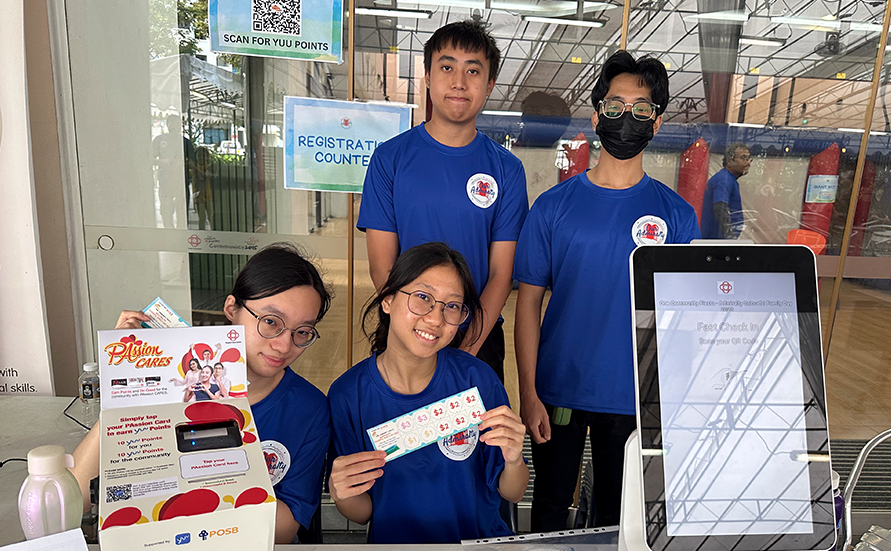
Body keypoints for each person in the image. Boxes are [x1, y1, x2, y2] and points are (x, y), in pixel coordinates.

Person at [513, 50, 701, 532]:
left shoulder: (677, 215)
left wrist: (670, 404)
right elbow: (528, 303)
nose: (627, 118)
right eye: (616, 106)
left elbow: (683, 319)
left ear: (655, 124)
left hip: (633, 396)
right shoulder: (553, 207)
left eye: (642, 109)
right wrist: (530, 392)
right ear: (597, 115)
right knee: (551, 508)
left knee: (621, 519)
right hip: (559, 391)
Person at [69, 242, 333, 544]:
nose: (284, 345)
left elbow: (285, 530)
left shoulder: (308, 408)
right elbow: (77, 494)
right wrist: (129, 384)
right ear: (232, 308)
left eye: (302, 332)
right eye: (271, 322)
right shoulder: (171, 383)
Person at [357, 21, 528, 382]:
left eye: (473, 71)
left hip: (477, 337)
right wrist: (415, 334)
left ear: (490, 85)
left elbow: (501, 273)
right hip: (406, 333)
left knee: (477, 438)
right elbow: (382, 265)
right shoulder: (391, 159)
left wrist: (466, 348)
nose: (459, 82)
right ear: (428, 78)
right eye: (447, 67)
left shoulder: (507, 169)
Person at [327, 242, 529, 544]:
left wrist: (515, 460)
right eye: (422, 298)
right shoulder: (348, 396)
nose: (435, 319)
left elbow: (510, 491)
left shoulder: (476, 379)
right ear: (388, 299)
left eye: (452, 306)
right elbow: (363, 513)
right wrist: (341, 492)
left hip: (477, 543)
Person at [700, 142, 751, 239]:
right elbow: (720, 207)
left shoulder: (727, 178)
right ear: (729, 161)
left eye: (749, 159)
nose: (748, 162)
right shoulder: (724, 179)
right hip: (716, 242)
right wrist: (730, 237)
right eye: (743, 158)